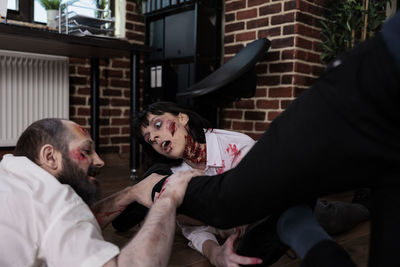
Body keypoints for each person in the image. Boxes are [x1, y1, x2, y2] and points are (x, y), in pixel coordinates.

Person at [128, 11, 400, 266]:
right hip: (262, 222)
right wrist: (215, 253)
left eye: (159, 124)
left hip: (291, 200)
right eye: (150, 139)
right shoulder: (176, 175)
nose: (156, 137)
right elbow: (193, 229)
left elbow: (261, 189)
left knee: (350, 214)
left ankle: (363, 201)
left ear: (183, 118)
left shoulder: (233, 144)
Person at [0, 118, 204, 267]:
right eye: (86, 151)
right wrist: (168, 198)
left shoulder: (11, 172)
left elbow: (64, 225)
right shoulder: (54, 199)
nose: (100, 161)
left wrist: (130, 193)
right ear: (50, 156)